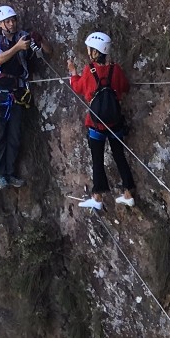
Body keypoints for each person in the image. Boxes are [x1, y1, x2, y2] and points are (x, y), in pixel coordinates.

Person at [66, 31, 136, 211]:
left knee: (97, 160)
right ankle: (128, 193)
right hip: (115, 122)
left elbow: (78, 87)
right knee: (120, 156)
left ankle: (97, 197)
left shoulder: (89, 70)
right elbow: (125, 87)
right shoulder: (116, 69)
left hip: (96, 123)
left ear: (94, 51)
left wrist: (73, 73)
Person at [0, 6, 37, 190]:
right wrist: (18, 47)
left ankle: (10, 173)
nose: (12, 24)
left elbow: (46, 51)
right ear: (0, 24)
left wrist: (39, 40)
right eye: (8, 21)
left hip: (17, 93)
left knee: (14, 136)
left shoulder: (21, 35)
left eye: (13, 20)